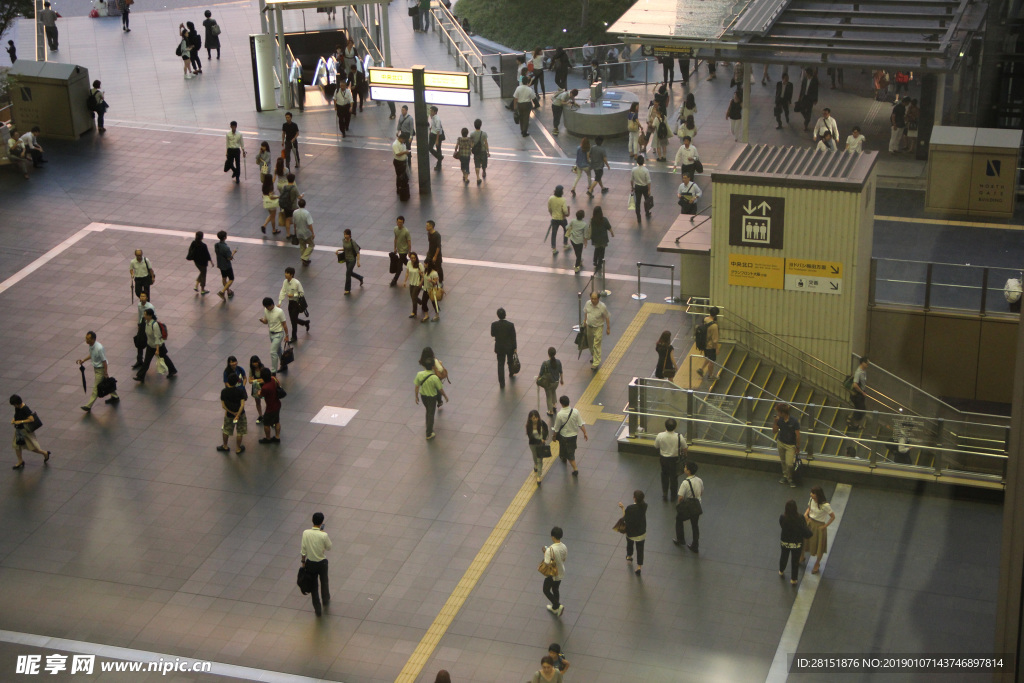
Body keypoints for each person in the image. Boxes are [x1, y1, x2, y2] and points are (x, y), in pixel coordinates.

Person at [77, 331, 120, 412]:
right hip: (97, 368)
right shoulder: (91, 345)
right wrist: (84, 360)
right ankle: (115, 396)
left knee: (96, 388)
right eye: (86, 338)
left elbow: (104, 361)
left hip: (101, 369)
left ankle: (89, 406)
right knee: (106, 382)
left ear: (93, 339)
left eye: (88, 339)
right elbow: (91, 354)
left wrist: (105, 372)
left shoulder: (99, 348)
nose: (86, 340)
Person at [300, 512, 332, 616]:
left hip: (310, 563)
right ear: (322, 522)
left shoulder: (306, 533)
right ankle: (326, 599)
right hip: (322, 563)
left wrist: (303, 562)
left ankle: (317, 609)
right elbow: (329, 547)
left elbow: (303, 550)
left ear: (312, 521)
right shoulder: (324, 535)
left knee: (314, 587)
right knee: (324, 582)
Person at [134, 309, 178, 383]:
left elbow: (157, 338)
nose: (144, 316)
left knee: (164, 358)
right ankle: (140, 376)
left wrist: (157, 350)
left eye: (145, 314)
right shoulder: (146, 322)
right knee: (146, 362)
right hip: (150, 345)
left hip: (158, 346)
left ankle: (172, 370)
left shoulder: (154, 325)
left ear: (150, 316)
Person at [801, 485, 835, 575]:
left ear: (817, 495)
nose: (811, 494)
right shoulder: (811, 500)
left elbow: (832, 517)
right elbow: (809, 508)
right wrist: (806, 514)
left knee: (819, 546)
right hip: (810, 522)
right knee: (805, 541)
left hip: (819, 525)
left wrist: (825, 526)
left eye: (813, 493)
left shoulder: (825, 505)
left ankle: (817, 563)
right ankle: (802, 556)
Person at [10, 395, 49, 470]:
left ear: (17, 403)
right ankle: (20, 461)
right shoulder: (17, 407)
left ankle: (45, 453)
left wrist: (20, 421)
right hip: (18, 430)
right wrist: (14, 420)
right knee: (17, 446)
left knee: (33, 447)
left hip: (25, 431)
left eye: (14, 404)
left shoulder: (25, 408)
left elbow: (31, 419)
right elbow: (16, 416)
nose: (14, 406)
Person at [414, 355, 448, 440]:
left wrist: (416, 397)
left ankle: (428, 424)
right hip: (431, 397)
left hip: (423, 396)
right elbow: (440, 389)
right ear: (433, 367)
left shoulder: (419, 374)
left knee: (428, 411)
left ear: (424, 366)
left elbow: (417, 387)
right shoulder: (434, 377)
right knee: (431, 413)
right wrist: (445, 396)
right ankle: (429, 433)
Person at [673, 460, 703, 553]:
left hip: (688, 507)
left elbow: (680, 497)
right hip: (697, 505)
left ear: (688, 471)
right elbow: (701, 492)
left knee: (679, 519)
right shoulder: (699, 480)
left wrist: (680, 505)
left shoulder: (685, 483)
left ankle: (680, 539)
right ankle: (695, 545)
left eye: (685, 467)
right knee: (695, 525)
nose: (684, 468)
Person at [780, 499, 812, 585]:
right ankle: (793, 579)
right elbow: (805, 532)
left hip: (785, 542)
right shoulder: (800, 518)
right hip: (796, 544)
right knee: (795, 561)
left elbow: (781, 525)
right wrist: (808, 524)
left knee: (784, 556)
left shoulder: (782, 517)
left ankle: (781, 570)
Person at [551, 396, 584, 475]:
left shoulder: (560, 414)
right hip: (573, 435)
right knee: (570, 448)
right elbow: (580, 423)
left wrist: (554, 436)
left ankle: (575, 469)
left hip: (564, 436)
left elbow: (556, 428)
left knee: (569, 453)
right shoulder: (575, 411)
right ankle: (564, 456)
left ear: (561, 403)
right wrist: (585, 433)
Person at [655, 418, 684, 501]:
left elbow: (656, 446)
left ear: (665, 426)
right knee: (674, 477)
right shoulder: (679, 436)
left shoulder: (660, 435)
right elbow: (685, 447)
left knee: (664, 475)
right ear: (675, 427)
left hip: (663, 459)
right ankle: (673, 495)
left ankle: (665, 493)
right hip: (675, 459)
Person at [619, 490, 647, 576]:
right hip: (641, 532)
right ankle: (639, 567)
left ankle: (629, 556)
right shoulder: (645, 506)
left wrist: (622, 508)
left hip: (631, 533)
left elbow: (625, 518)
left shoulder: (630, 508)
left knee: (630, 543)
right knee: (640, 549)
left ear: (634, 498)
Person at [541, 527, 568, 617]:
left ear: (553, 537)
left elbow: (547, 563)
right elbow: (564, 558)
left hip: (552, 574)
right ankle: (555, 608)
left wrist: (545, 552)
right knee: (555, 589)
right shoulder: (564, 546)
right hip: (561, 572)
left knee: (546, 590)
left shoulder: (550, 549)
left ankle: (558, 606)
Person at [773, 402, 801, 488]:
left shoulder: (794, 421)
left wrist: (798, 447)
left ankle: (790, 478)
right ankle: (785, 476)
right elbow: (774, 431)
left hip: (790, 445)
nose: (777, 414)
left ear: (783, 413)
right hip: (781, 442)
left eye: (778, 412)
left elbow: (797, 435)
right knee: (783, 461)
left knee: (789, 463)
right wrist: (775, 422)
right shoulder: (779, 420)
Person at [279, 267, 310, 342]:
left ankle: (294, 337)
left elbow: (302, 293)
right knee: (293, 319)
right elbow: (282, 291)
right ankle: (305, 322)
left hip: (296, 303)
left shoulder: (296, 283)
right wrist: (280, 302)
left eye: (287, 273)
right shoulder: (285, 282)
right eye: (285, 272)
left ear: (291, 274)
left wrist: (293, 295)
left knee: (293, 320)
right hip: (290, 303)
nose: (285, 274)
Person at [259, 297, 289, 375]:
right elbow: (266, 321)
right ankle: (284, 364)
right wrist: (263, 321)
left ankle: (273, 371)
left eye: (268, 306)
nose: (267, 308)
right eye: (265, 307)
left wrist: (287, 335)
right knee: (278, 350)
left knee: (273, 352)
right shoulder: (266, 310)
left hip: (278, 334)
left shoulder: (279, 311)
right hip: (271, 333)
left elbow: (284, 324)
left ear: (272, 304)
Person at [490, 308, 518, 388]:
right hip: (509, 347)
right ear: (505, 315)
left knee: (500, 364)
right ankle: (511, 372)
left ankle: (502, 383)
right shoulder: (510, 325)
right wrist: (515, 347)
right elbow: (513, 337)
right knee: (510, 361)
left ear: (498, 315)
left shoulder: (494, 324)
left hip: (499, 347)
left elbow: (492, 334)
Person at [583, 291, 611, 370]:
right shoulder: (588, 303)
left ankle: (596, 362)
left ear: (598, 299)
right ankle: (594, 355)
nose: (593, 300)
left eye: (595, 299)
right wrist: (585, 321)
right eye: (592, 298)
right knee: (590, 343)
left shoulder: (602, 307)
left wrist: (608, 328)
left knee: (596, 344)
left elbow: (607, 316)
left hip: (598, 327)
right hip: (589, 326)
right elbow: (586, 312)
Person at [335, 229, 364, 295]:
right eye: (344, 234)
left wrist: (358, 262)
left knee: (348, 273)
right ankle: (360, 277)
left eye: (346, 234)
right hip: (347, 259)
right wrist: (338, 250)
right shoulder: (343, 240)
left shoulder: (352, 242)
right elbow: (345, 248)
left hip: (352, 260)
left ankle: (347, 289)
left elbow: (357, 252)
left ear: (350, 235)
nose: (345, 236)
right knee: (350, 272)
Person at [257, 369, 281, 443]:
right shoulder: (274, 379)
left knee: (266, 424)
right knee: (277, 421)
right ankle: (277, 437)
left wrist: (258, 392)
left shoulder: (265, 388)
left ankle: (268, 438)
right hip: (277, 404)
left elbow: (261, 395)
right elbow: (278, 385)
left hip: (270, 407)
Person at [131, 292, 154, 369]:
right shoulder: (139, 305)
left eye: (144, 296)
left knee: (149, 343)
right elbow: (140, 315)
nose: (142, 297)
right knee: (139, 341)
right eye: (141, 296)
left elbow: (154, 317)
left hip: (148, 325)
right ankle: (139, 360)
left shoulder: (150, 307)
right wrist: (139, 324)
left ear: (147, 298)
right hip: (142, 325)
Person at [526, 410, 550, 485]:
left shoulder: (542, 423)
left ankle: (538, 476)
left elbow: (546, 430)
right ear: (530, 418)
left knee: (540, 459)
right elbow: (530, 436)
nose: (535, 419)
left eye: (536, 417)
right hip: (533, 444)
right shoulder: (528, 426)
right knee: (535, 457)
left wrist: (543, 439)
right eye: (533, 418)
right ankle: (535, 465)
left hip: (540, 444)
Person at [538, 347, 563, 417]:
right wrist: (562, 380)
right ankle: (554, 405)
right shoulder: (558, 362)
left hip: (548, 383)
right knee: (553, 391)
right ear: (555, 353)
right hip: (556, 382)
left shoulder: (545, 363)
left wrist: (537, 380)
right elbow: (561, 372)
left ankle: (550, 411)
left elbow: (540, 373)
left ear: (548, 354)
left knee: (548, 396)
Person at [586, 205, 613, 269]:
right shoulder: (604, 219)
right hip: (603, 238)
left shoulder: (592, 220)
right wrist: (612, 233)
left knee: (597, 249)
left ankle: (595, 261)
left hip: (595, 238)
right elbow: (609, 227)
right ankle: (600, 263)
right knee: (602, 250)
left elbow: (590, 228)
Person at [698, 306, 720, 380]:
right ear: (716, 314)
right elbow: (715, 340)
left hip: (704, 343)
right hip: (710, 346)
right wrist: (716, 348)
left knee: (708, 357)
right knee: (712, 361)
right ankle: (710, 375)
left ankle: (701, 369)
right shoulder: (714, 326)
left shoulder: (705, 319)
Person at [403, 252, 427, 318]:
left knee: (413, 297)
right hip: (411, 283)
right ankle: (422, 303)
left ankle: (414, 312)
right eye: (412, 258)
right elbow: (407, 272)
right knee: (413, 297)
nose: (413, 259)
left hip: (417, 284)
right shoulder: (408, 263)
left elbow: (423, 276)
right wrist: (405, 281)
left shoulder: (419, 265)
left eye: (414, 258)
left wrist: (421, 283)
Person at [291, 199, 315, 266]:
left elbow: (294, 223)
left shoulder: (295, 212)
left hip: (299, 232)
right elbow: (310, 224)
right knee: (311, 244)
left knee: (302, 246)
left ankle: (304, 261)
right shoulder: (306, 213)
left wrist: (295, 231)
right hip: (306, 232)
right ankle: (304, 257)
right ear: (305, 204)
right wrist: (313, 233)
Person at [847, 356, 869, 429]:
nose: (867, 364)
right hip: (857, 395)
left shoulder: (863, 371)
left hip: (861, 394)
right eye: (866, 363)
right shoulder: (858, 372)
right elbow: (855, 384)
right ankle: (853, 422)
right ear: (862, 363)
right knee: (861, 409)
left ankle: (854, 421)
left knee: (859, 409)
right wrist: (862, 392)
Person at [547, 185, 570, 255]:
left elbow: (549, 208)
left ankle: (554, 248)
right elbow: (565, 211)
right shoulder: (563, 200)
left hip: (554, 219)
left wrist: (552, 214)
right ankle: (565, 243)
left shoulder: (551, 198)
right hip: (562, 219)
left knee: (554, 234)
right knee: (566, 230)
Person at [278, 173, 301, 242]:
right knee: (295, 220)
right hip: (293, 206)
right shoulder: (294, 188)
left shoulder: (284, 187)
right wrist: (302, 196)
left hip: (286, 206)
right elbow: (299, 197)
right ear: (293, 180)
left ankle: (288, 234)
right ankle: (295, 233)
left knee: (287, 219)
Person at [214, 231, 236, 299]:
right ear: (224, 237)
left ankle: (229, 292)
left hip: (220, 264)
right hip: (227, 265)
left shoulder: (216, 245)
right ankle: (222, 291)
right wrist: (233, 252)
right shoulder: (226, 248)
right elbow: (229, 258)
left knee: (224, 278)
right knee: (231, 279)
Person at [630, 155, 652, 222]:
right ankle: (647, 213)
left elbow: (631, 180)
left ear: (637, 162)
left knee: (638, 202)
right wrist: (649, 190)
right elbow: (648, 181)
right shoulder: (646, 170)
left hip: (637, 187)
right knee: (646, 200)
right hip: (645, 187)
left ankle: (638, 217)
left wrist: (632, 187)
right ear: (643, 161)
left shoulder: (634, 169)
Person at [425, 220, 443, 286]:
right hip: (430, 253)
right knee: (427, 265)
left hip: (437, 255)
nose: (426, 227)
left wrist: (435, 256)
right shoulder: (429, 233)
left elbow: (438, 246)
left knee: (438, 267)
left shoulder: (437, 235)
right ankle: (426, 280)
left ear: (431, 226)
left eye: (427, 226)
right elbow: (430, 244)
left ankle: (440, 281)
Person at [249, 356, 266, 424]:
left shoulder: (262, 368)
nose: (255, 364)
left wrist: (255, 380)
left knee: (267, 400)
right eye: (254, 362)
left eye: (256, 362)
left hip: (263, 387)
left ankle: (266, 415)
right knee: (257, 402)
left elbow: (264, 380)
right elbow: (250, 381)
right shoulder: (252, 369)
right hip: (256, 387)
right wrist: (259, 380)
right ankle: (260, 415)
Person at [427, 106, 444, 171]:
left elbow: (438, 130)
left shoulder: (437, 119)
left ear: (435, 112)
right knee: (430, 148)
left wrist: (437, 140)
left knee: (438, 149)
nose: (430, 112)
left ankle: (439, 163)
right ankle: (439, 157)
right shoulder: (433, 117)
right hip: (432, 134)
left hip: (437, 135)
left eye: (431, 111)